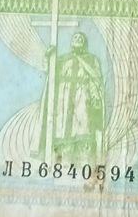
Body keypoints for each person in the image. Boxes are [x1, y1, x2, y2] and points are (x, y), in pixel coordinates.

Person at [38, 31, 107, 162]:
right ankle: (62, 162)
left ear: (85, 43)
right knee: (63, 132)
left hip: (82, 97)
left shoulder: (91, 60)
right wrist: (48, 57)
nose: (78, 39)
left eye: (81, 38)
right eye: (75, 37)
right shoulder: (63, 60)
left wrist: (95, 97)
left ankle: (84, 163)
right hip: (64, 100)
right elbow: (50, 72)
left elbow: (95, 80)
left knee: (83, 130)